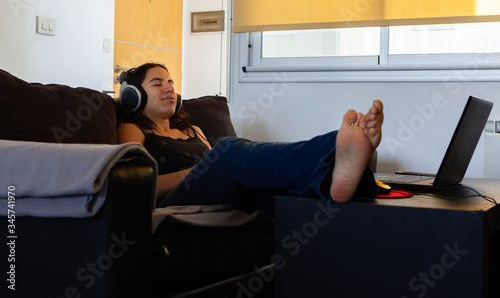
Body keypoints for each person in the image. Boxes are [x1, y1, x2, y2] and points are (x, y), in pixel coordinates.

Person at [117, 63, 384, 213]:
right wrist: (194, 172)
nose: (169, 88)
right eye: (157, 83)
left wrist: (207, 168)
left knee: (278, 187)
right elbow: (134, 187)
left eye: (171, 81)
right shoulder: (133, 129)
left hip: (216, 193)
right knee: (226, 150)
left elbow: (217, 173)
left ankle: (344, 172)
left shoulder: (193, 130)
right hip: (172, 202)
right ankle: (335, 150)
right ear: (133, 96)